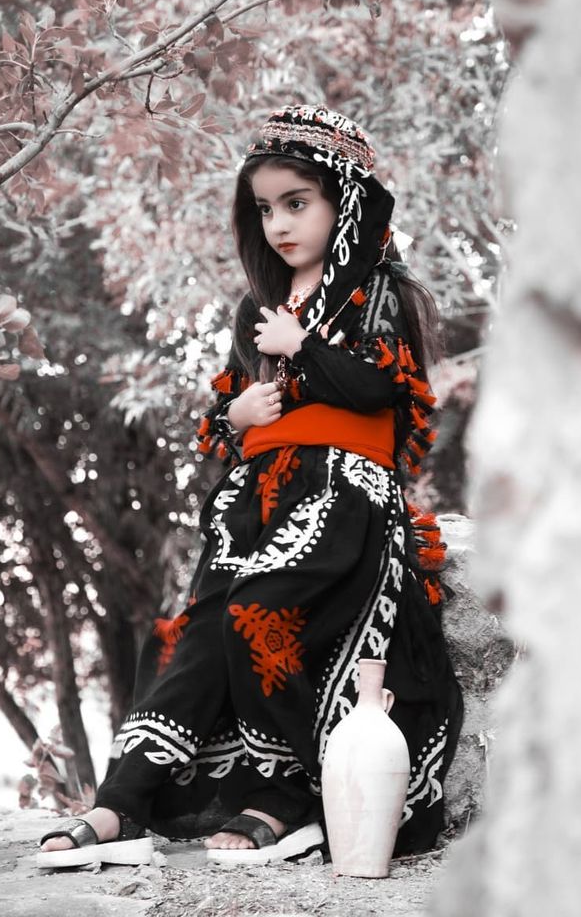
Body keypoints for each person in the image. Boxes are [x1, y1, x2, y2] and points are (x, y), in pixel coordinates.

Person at [37, 104, 463, 868]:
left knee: (258, 614)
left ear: (345, 201)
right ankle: (120, 805)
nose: (278, 224)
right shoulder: (253, 309)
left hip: (348, 501)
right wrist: (233, 414)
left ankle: (292, 793)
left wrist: (302, 349)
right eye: (264, 208)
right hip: (260, 506)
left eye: (296, 203)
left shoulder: (379, 295)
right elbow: (230, 417)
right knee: (188, 637)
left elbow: (379, 396)